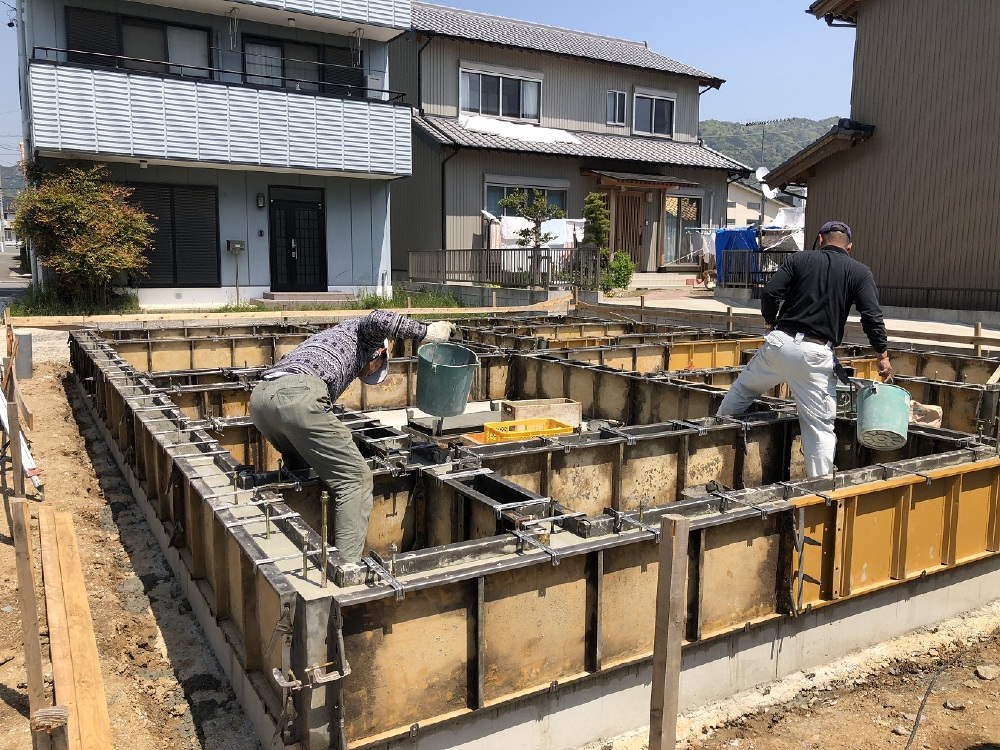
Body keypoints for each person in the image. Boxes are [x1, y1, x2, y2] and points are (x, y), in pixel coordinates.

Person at [249, 311, 460, 561]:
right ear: (379, 354)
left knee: (303, 468)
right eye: (373, 371)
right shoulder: (365, 336)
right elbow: (378, 319)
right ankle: (347, 568)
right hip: (297, 398)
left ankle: (296, 546)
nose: (365, 375)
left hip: (261, 401)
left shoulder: (327, 339)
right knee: (355, 479)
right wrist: (428, 332)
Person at [716, 221, 891, 478]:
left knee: (743, 389)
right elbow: (871, 316)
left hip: (779, 343)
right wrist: (882, 355)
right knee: (819, 428)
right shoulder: (859, 272)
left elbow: (770, 293)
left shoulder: (799, 259)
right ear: (849, 247)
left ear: (820, 240)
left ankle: (715, 431)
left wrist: (770, 322)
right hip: (815, 354)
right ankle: (819, 491)